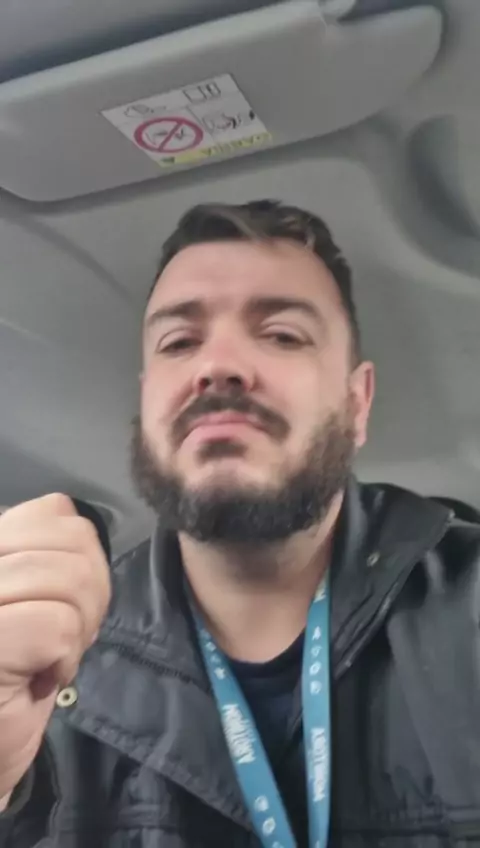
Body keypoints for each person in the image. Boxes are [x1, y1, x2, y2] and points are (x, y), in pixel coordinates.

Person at [0, 200, 480, 848]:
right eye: (179, 343)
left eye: (282, 335)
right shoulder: (45, 667)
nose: (217, 365)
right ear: (146, 400)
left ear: (357, 402)